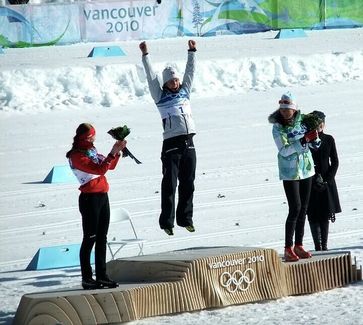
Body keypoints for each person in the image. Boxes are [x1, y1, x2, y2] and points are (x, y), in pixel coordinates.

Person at [139, 39, 197, 236]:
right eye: (172, 80)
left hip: (189, 142)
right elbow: (150, 76)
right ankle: (167, 222)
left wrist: (192, 52)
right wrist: (146, 55)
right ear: (165, 83)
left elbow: (190, 72)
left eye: (177, 79)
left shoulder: (185, 92)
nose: (176, 82)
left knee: (188, 183)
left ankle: (185, 219)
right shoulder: (160, 96)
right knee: (170, 184)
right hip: (171, 144)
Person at [66, 123, 126, 289]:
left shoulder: (91, 150)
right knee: (89, 239)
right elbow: (99, 170)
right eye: (92, 135)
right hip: (89, 199)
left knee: (102, 238)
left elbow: (109, 166)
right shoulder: (76, 155)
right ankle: (87, 277)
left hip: (102, 196)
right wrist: (111, 154)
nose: (94, 138)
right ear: (85, 137)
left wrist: (117, 151)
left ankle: (102, 275)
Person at [268, 92, 321, 262]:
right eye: (282, 108)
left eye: (288, 108)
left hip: (306, 170)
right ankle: (288, 247)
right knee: (295, 208)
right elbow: (284, 150)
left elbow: (315, 144)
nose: (284, 111)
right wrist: (303, 141)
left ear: (294, 109)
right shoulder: (277, 127)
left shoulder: (304, 122)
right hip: (290, 172)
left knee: (304, 208)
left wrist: (315, 137)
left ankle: (299, 244)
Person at [307, 111, 341, 251]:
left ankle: (324, 246)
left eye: (320, 124)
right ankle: (317, 245)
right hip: (309, 182)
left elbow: (335, 162)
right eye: (316, 124)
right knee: (312, 214)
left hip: (326, 182)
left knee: (324, 215)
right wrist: (313, 180)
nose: (319, 127)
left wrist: (326, 180)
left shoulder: (328, 139)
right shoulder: (305, 140)